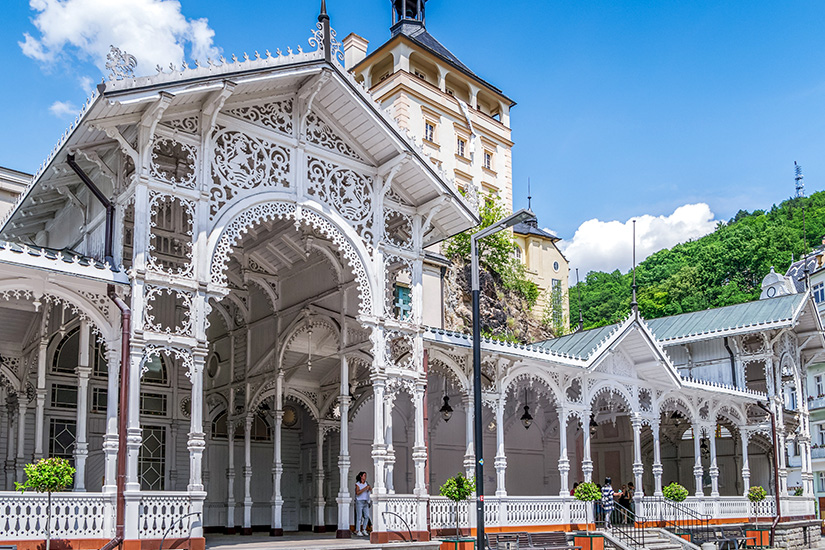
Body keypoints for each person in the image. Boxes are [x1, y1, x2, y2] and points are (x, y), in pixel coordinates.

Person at [354, 471, 372, 537]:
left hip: (365, 501)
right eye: (364, 475)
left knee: (366, 516)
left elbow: (370, 489)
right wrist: (365, 488)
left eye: (365, 475)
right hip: (359, 501)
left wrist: (369, 489)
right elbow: (357, 493)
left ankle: (364, 529)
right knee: (359, 517)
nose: (365, 477)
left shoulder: (366, 483)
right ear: (361, 476)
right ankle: (358, 530)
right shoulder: (358, 484)